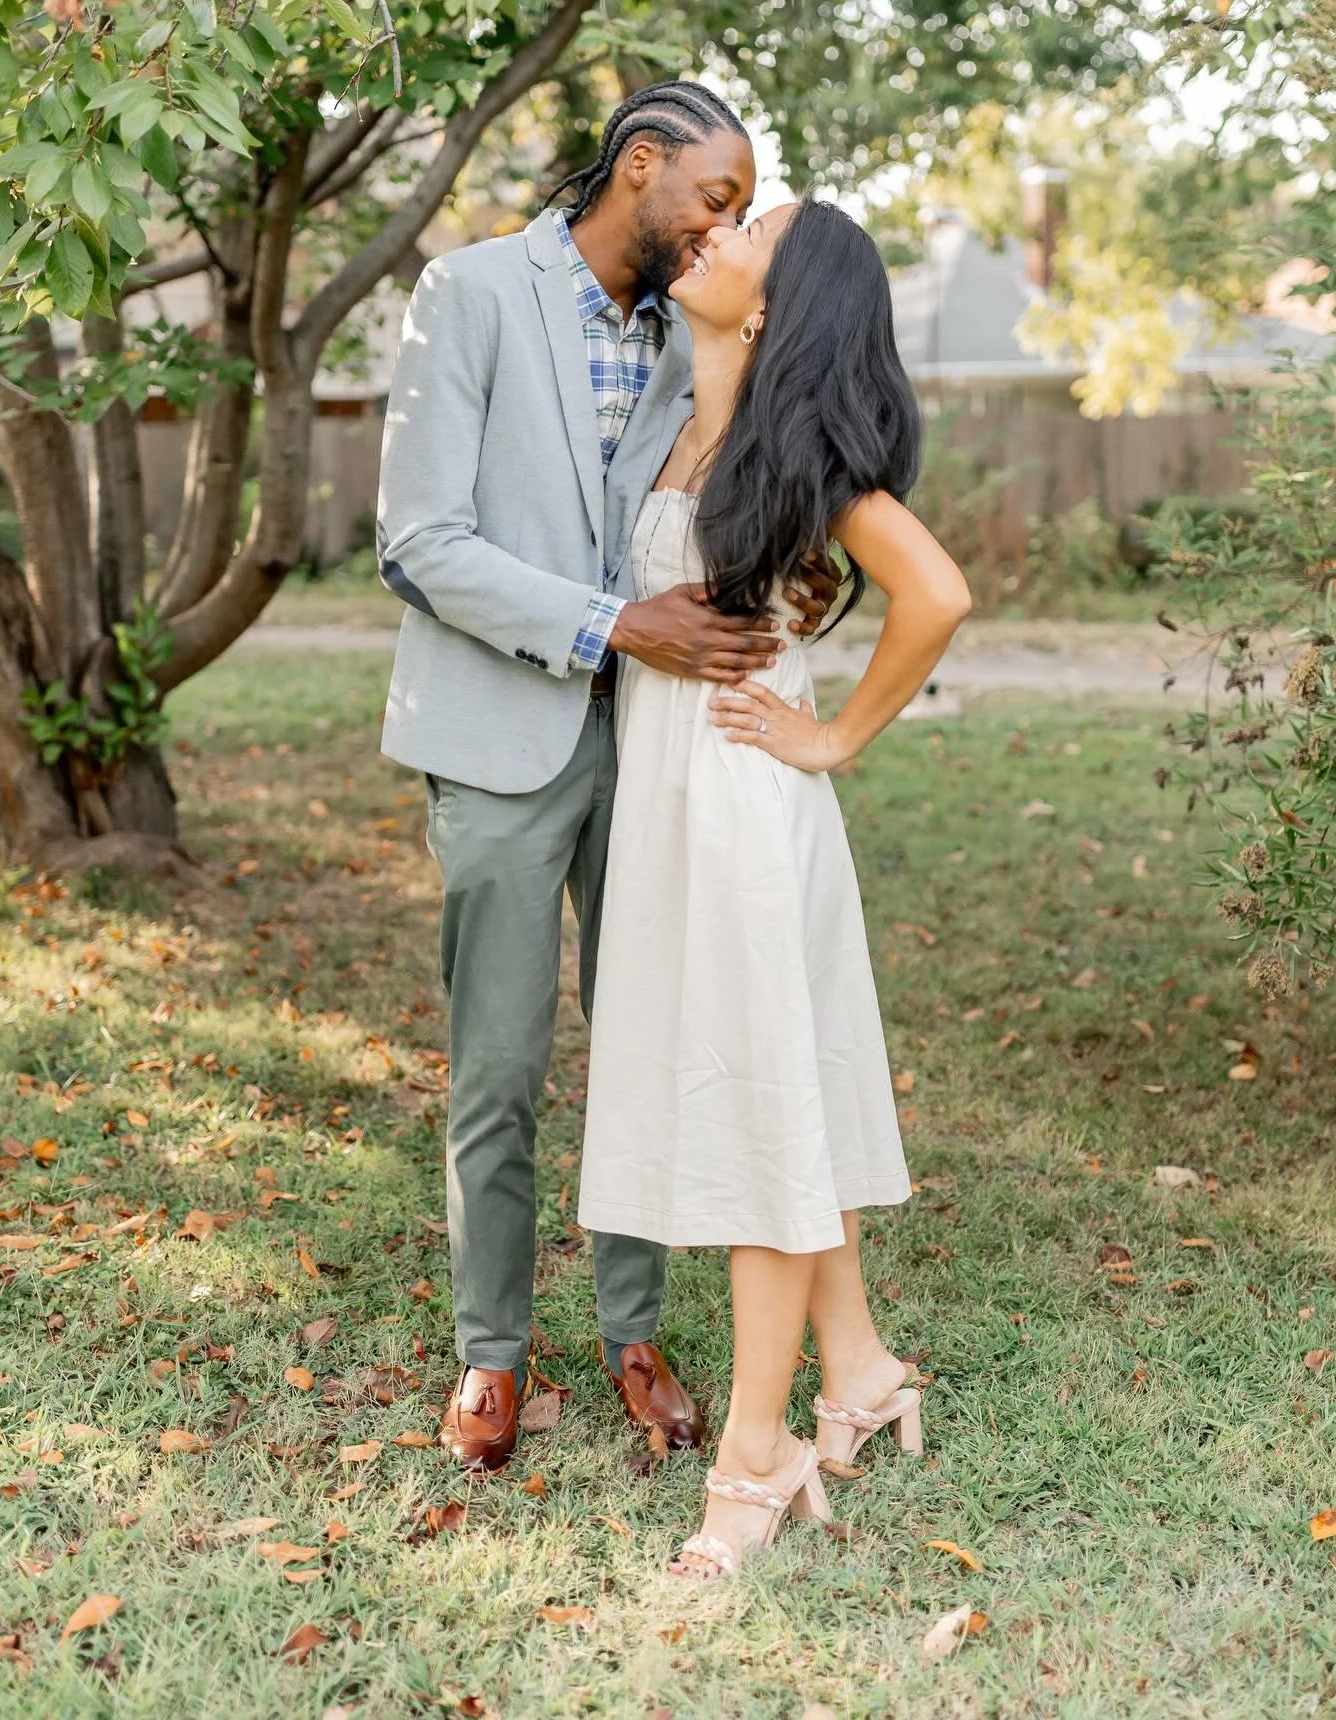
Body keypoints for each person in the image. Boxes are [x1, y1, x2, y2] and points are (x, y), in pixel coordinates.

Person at [375, 83, 834, 1474]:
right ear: (641, 164)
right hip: (498, 740)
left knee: (645, 1044)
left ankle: (635, 1331)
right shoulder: (466, 294)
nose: (729, 222)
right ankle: (491, 1355)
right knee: (501, 1067)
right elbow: (420, 539)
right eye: (717, 192)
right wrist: (616, 624)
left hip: (656, 748)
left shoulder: (700, 329)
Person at [578, 199, 973, 1579]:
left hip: (746, 800)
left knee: (757, 1119)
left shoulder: (792, 454)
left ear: (772, 304)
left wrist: (836, 737)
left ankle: (755, 1460)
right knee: (781, 1088)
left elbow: (937, 592)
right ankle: (856, 1369)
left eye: (751, 228)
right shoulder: (686, 418)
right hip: (679, 799)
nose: (713, 230)